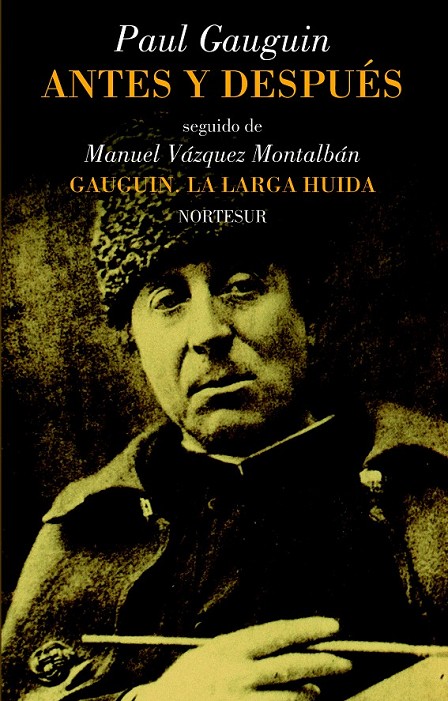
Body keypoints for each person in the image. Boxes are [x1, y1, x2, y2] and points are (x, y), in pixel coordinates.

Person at [2, 128, 447, 701]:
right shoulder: (88, 529)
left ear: (308, 312)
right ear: (132, 344)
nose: (208, 332)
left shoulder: (428, 478)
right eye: (168, 302)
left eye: (241, 287)